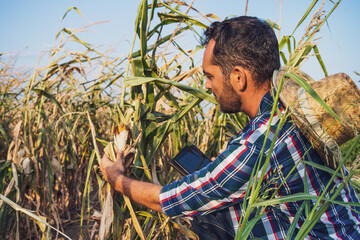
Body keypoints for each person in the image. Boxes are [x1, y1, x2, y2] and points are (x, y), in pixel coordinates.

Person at [100, 16, 360, 239]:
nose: (207, 86)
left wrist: (118, 179)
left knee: (205, 212)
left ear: (238, 77)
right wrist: (224, 171)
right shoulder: (290, 113)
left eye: (210, 76)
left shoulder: (259, 142)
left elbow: (173, 200)